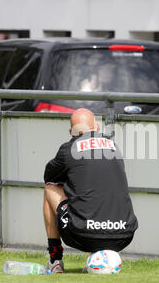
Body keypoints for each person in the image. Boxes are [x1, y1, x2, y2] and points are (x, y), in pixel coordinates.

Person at [43, 108, 138, 273]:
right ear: (97, 127)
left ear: (71, 132)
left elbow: (49, 176)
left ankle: (55, 259)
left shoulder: (68, 149)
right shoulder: (114, 147)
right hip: (124, 234)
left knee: (50, 187)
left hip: (83, 234)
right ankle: (98, 257)